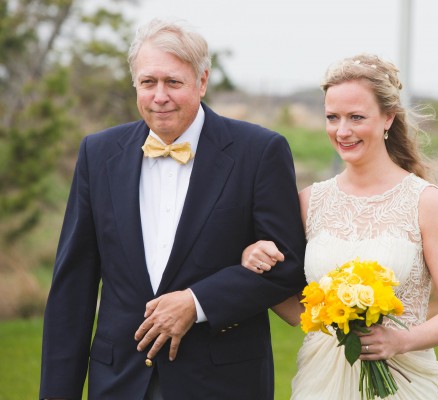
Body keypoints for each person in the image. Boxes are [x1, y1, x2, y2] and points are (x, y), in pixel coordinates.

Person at [39, 18, 306, 400]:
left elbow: (288, 267)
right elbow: (73, 287)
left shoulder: (259, 152)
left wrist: (197, 302)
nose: (159, 95)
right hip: (119, 382)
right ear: (135, 84)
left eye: (173, 82)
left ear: (202, 81)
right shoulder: (98, 154)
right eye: (148, 82)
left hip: (221, 383)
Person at [242, 53, 438, 399]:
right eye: (332, 117)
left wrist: (401, 340)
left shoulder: (425, 202)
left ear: (388, 118)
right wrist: (253, 262)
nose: (342, 131)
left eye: (356, 117)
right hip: (320, 381)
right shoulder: (309, 203)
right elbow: (297, 311)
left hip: (402, 380)